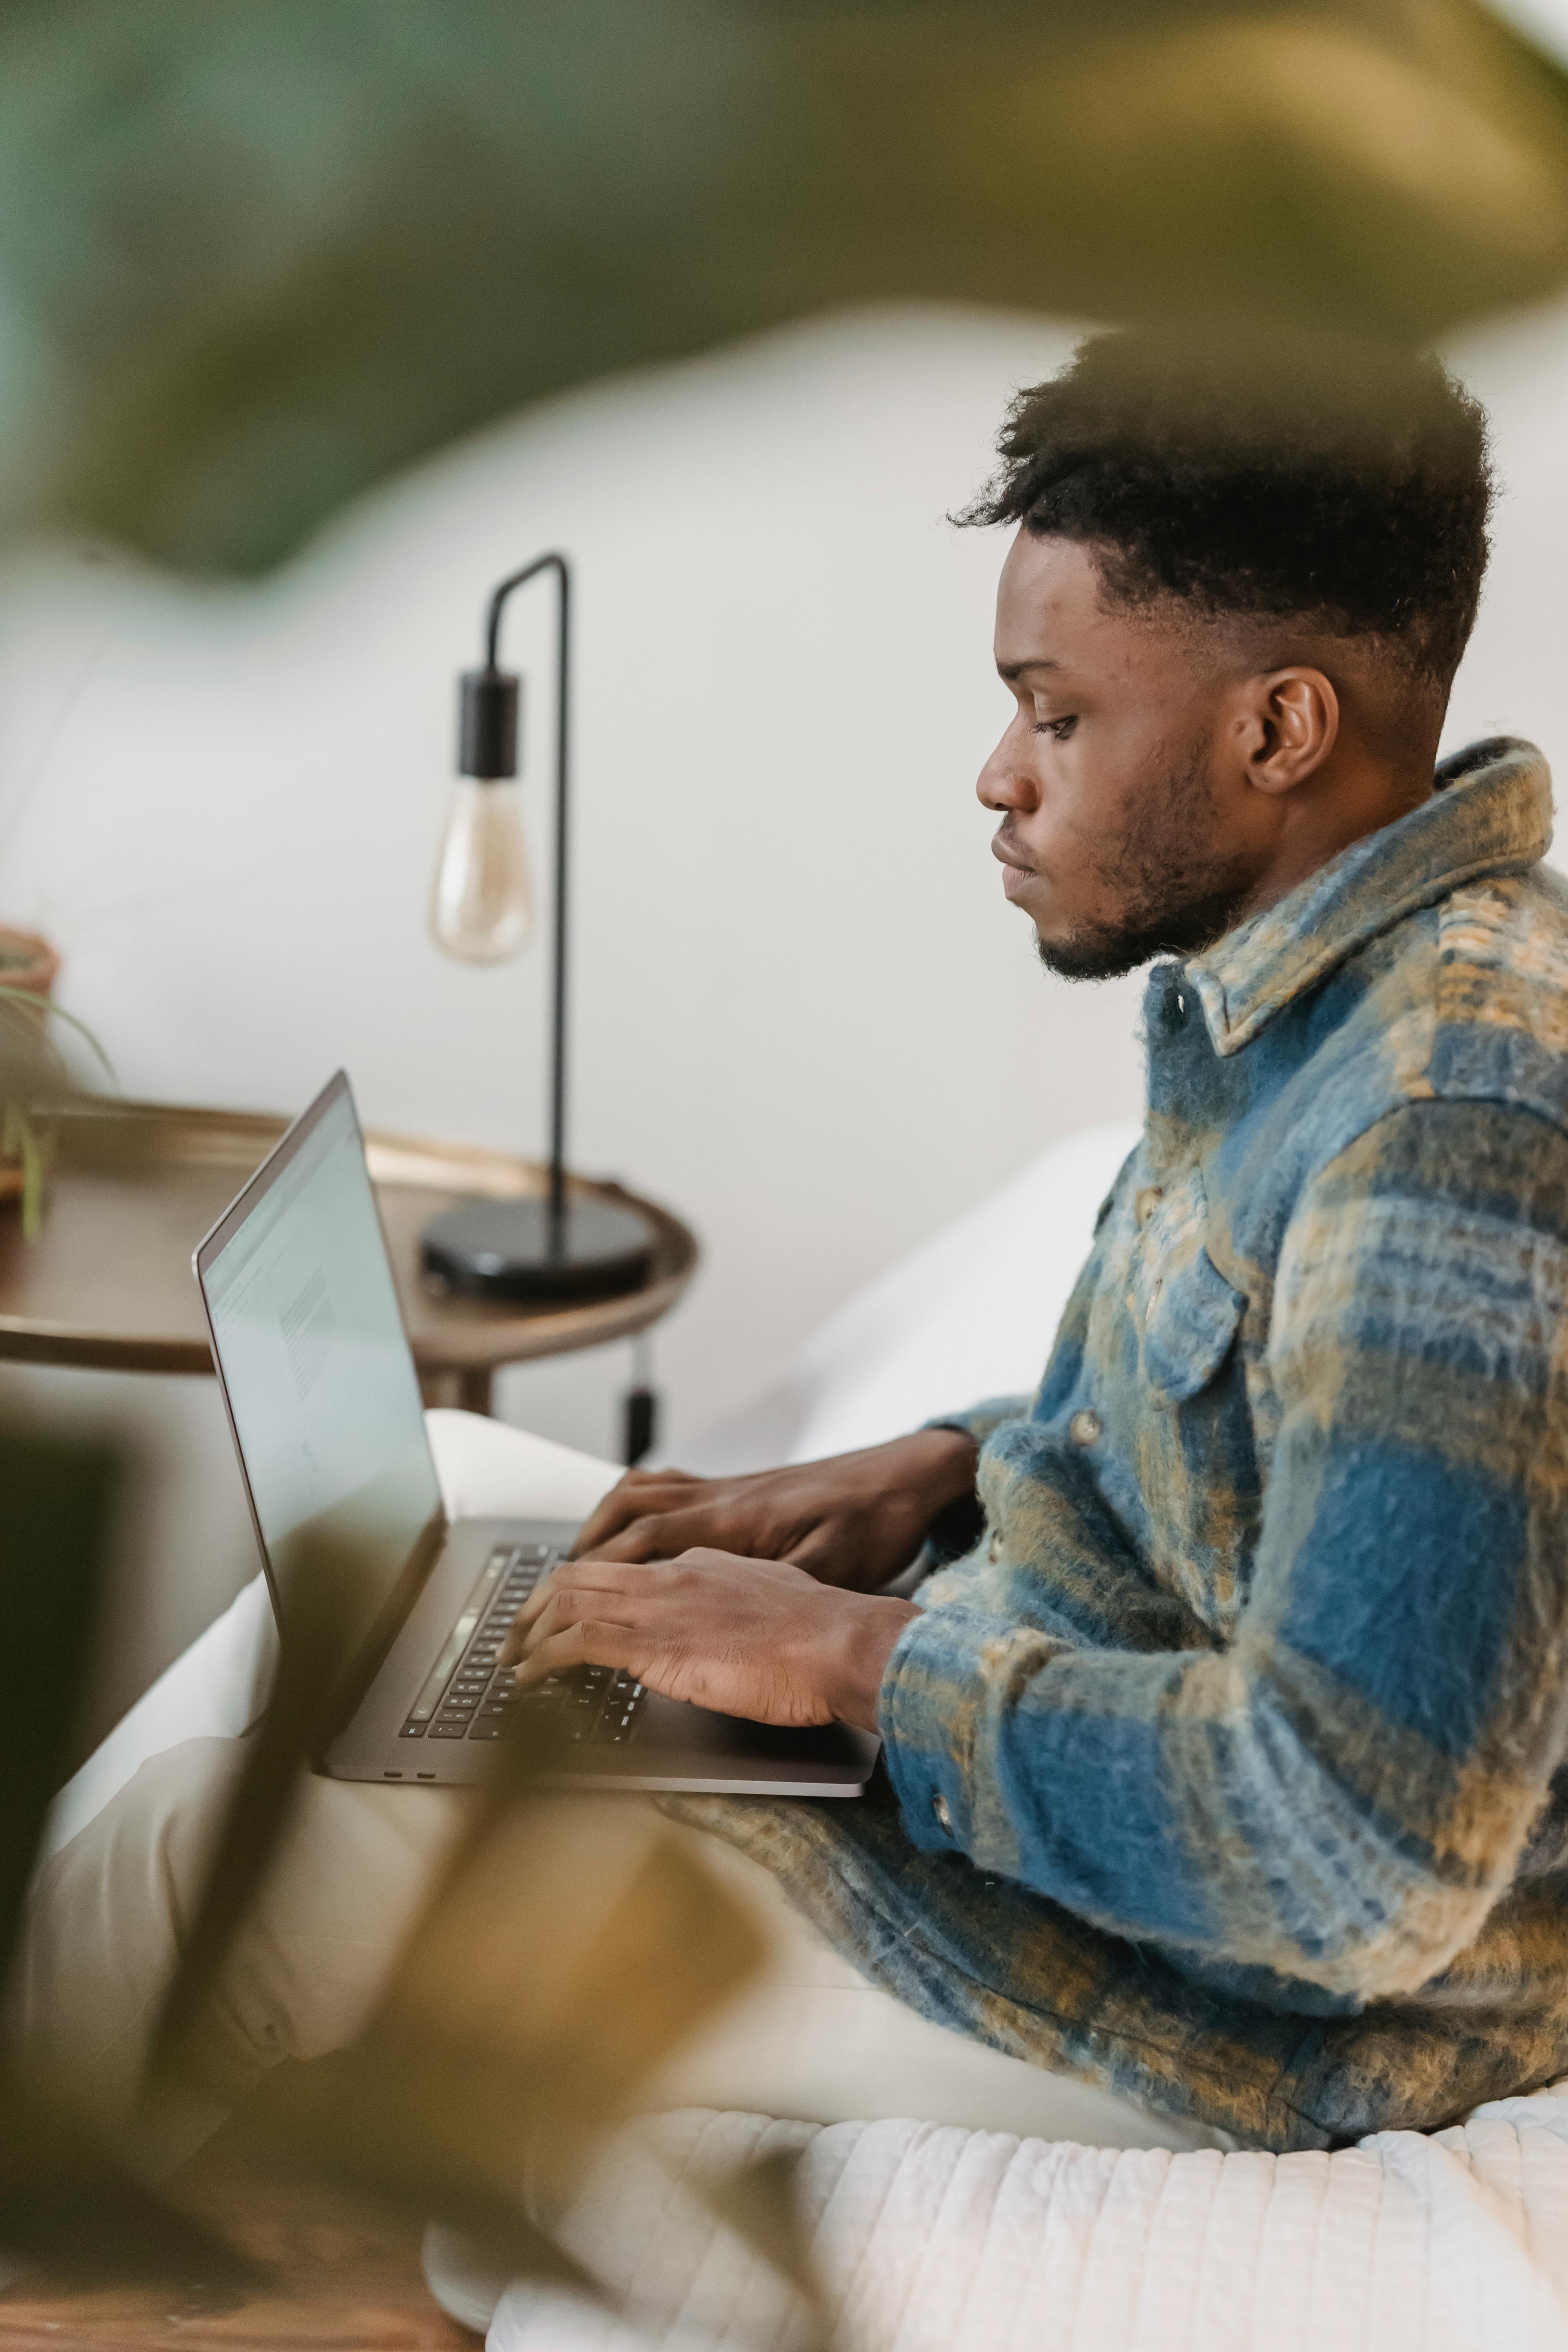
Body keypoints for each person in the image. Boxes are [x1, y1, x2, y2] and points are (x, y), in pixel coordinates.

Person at [17, 323, 1566, 2160]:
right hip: (1048, 1747)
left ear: (1276, 727)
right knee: (443, 1498)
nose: (1001, 774)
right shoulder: (1311, 997)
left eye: (1057, 716)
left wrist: (841, 1666)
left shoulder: (1443, 1124)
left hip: (1190, 2006)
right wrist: (941, 1470)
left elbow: (1349, 1860)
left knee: (206, 1838)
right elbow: (1269, 1448)